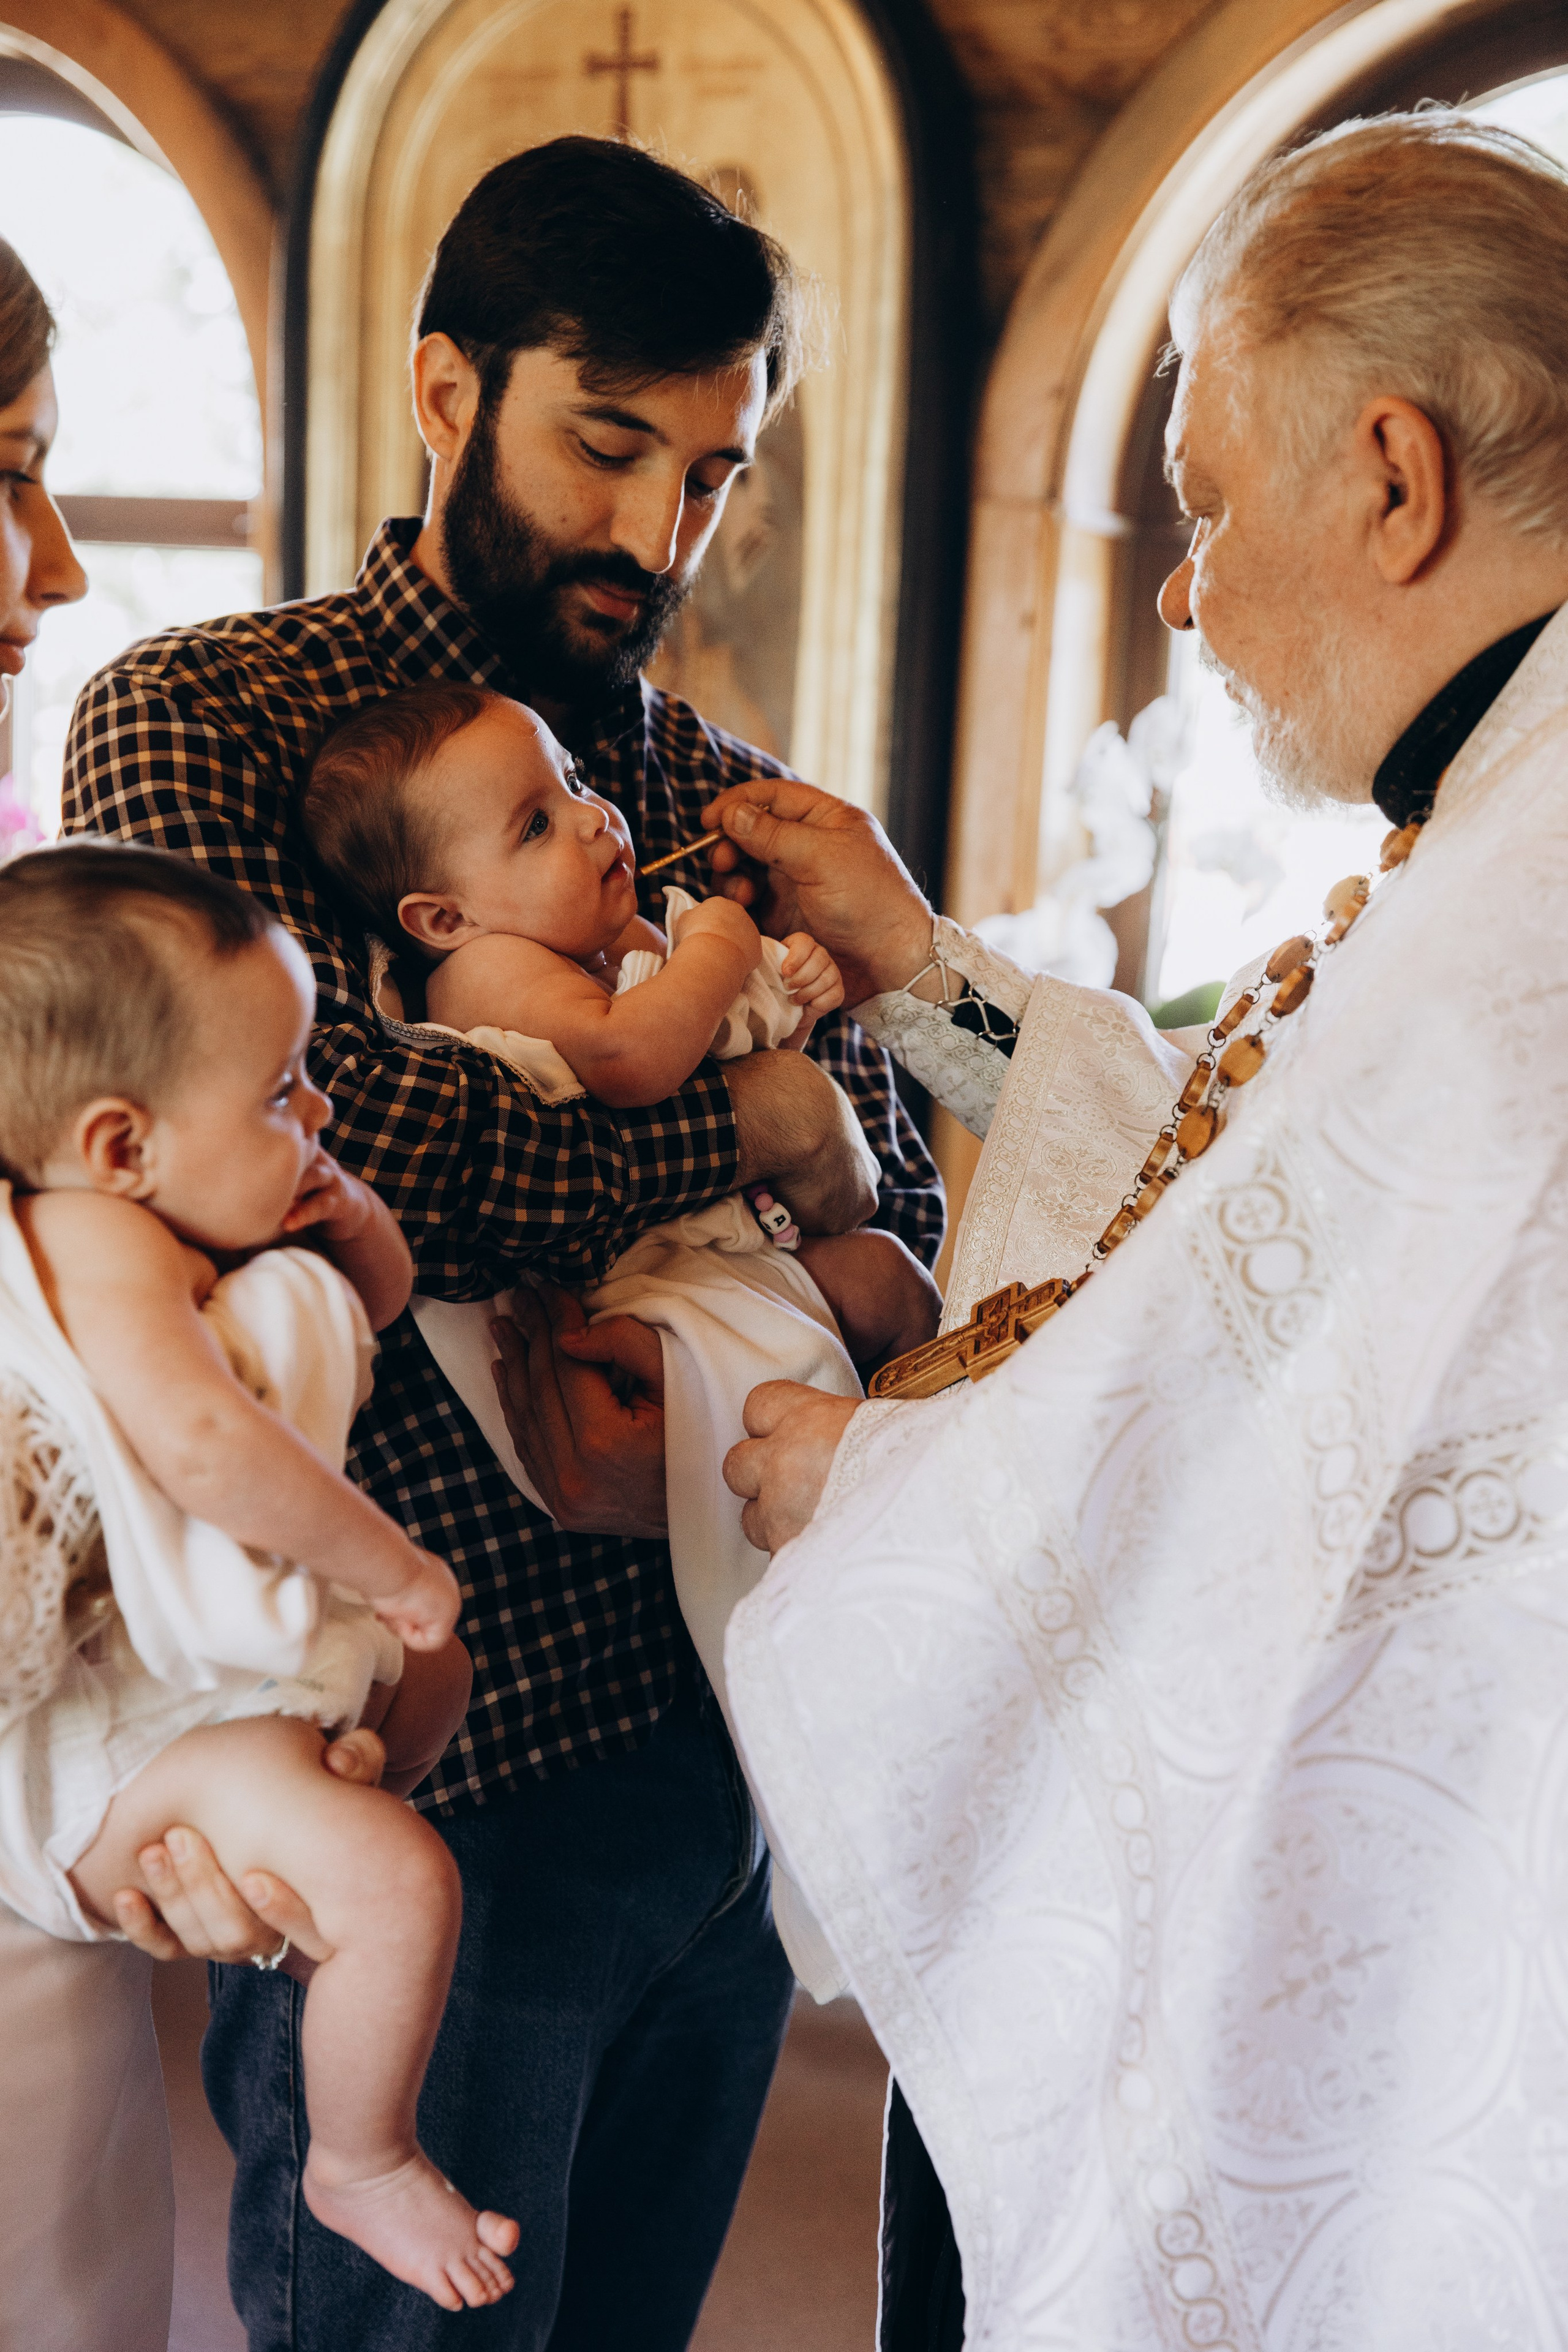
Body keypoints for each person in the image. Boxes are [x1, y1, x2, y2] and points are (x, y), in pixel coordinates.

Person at [503, 112, 1568, 2352]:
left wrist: (851, 1477)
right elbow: (1243, 1234)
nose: (1182, 592)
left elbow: (1243, 1381)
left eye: (1202, 504)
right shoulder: (1509, 836)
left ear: (1390, 476)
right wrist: (921, 971)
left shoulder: (1511, 934)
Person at [64, 135, 941, 2350]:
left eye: (718, 473)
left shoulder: (736, 800)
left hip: (732, 1751)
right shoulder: (207, 716)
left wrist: (821, 1150)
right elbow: (337, 1141)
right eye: (611, 445)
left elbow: (918, 1203)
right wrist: (746, 1118)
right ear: (448, 396)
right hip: (443, 1780)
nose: (661, 537)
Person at [0, 837, 530, 2311]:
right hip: (115, 1751)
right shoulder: (93, 1243)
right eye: (282, 1089)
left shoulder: (176, 1219)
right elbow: (197, 1440)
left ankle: (326, 1896)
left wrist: (347, 1215)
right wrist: (391, 1561)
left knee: (421, 1720)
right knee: (402, 1880)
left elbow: (366, 1304)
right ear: (120, 1145)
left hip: (218, 1716)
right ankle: (355, 2158)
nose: (320, 1106)